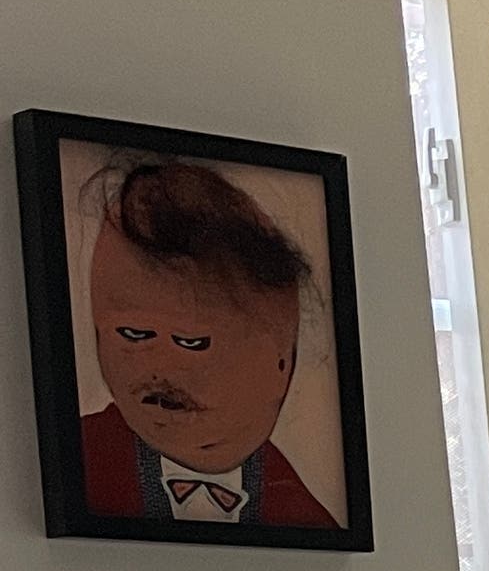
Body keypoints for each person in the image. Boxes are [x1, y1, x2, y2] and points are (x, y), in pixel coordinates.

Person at [75, 156, 335, 528]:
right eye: (133, 335)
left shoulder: (304, 516)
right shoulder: (79, 462)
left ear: (281, 364)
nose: (159, 367)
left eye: (191, 343)